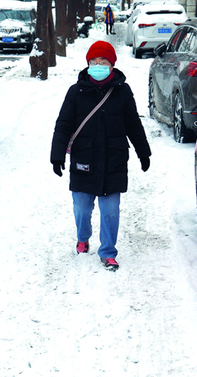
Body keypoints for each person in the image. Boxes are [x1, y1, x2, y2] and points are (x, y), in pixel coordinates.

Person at [50, 41, 151, 271]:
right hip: (83, 160)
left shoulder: (122, 91)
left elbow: (133, 124)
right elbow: (64, 124)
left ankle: (107, 252)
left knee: (110, 211)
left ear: (112, 65)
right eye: (93, 62)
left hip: (113, 160)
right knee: (82, 209)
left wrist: (143, 152)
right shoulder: (76, 92)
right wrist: (57, 156)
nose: (97, 66)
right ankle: (83, 238)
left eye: (102, 62)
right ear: (87, 65)